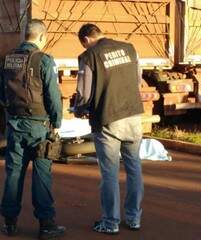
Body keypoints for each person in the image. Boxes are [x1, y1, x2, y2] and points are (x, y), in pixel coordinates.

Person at [74, 23, 144, 235]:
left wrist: (79, 109)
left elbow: (84, 93)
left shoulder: (88, 56)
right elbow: (138, 79)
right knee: (134, 168)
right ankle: (134, 218)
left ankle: (110, 222)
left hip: (108, 120)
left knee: (109, 173)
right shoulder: (130, 48)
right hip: (133, 117)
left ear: (86, 40)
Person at [0, 19, 65, 239]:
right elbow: (53, 96)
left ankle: (9, 223)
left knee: (14, 173)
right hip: (39, 127)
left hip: (15, 125)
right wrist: (57, 123)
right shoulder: (44, 60)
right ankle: (46, 225)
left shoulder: (9, 60)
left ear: (24, 36)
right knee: (41, 175)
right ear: (42, 37)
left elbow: (2, 95)